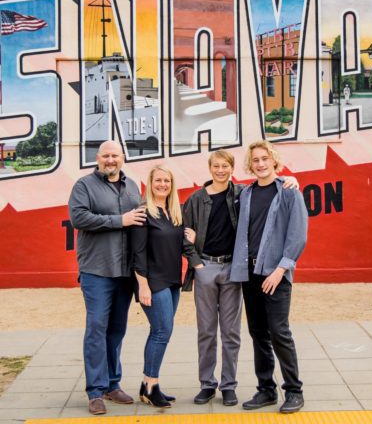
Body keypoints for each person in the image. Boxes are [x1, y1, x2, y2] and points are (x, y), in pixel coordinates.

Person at [182, 150, 300, 408]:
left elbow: (296, 234)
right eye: (216, 166)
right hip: (227, 271)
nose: (221, 170)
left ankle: (284, 390)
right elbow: (184, 231)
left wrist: (292, 180)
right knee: (243, 332)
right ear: (210, 168)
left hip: (252, 272)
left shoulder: (262, 192)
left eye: (226, 166)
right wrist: (196, 263)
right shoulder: (217, 197)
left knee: (265, 332)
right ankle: (228, 386)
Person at [68, 140, 146, 416]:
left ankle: (113, 384)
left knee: (116, 330)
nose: (110, 160)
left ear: (122, 158)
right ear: (98, 158)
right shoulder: (84, 186)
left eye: (115, 156)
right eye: (106, 156)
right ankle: (95, 391)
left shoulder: (133, 186)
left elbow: (139, 221)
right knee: (96, 328)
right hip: (97, 270)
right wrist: (118, 220)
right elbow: (79, 218)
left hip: (125, 272)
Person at [231, 140, 309, 414]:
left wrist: (280, 270)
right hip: (249, 273)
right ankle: (266, 390)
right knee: (258, 333)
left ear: (274, 161)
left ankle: (294, 391)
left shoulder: (289, 192)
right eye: (256, 160)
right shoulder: (246, 194)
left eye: (265, 159)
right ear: (250, 165)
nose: (261, 164)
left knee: (279, 332)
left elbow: (297, 236)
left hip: (275, 274)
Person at [131, 163, 203, 409]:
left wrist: (190, 238)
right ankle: (152, 387)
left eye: (167, 181)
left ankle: (147, 385)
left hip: (172, 280)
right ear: (150, 184)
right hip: (152, 282)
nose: (162, 184)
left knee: (160, 331)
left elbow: (181, 244)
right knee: (162, 332)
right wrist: (142, 286)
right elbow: (137, 253)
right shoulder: (143, 213)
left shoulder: (174, 212)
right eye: (158, 180)